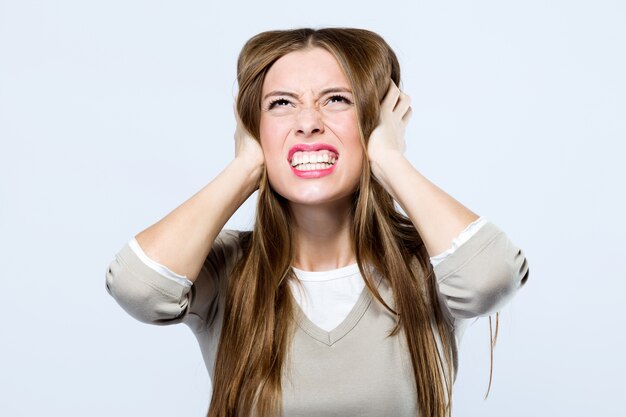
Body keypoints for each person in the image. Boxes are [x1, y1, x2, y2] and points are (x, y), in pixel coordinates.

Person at [105, 27, 529, 417]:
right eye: (281, 104)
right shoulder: (227, 270)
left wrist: (389, 159)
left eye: (337, 99)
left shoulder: (429, 265)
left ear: (377, 120)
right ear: (253, 128)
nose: (308, 123)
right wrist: (246, 166)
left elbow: (490, 278)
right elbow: (138, 288)